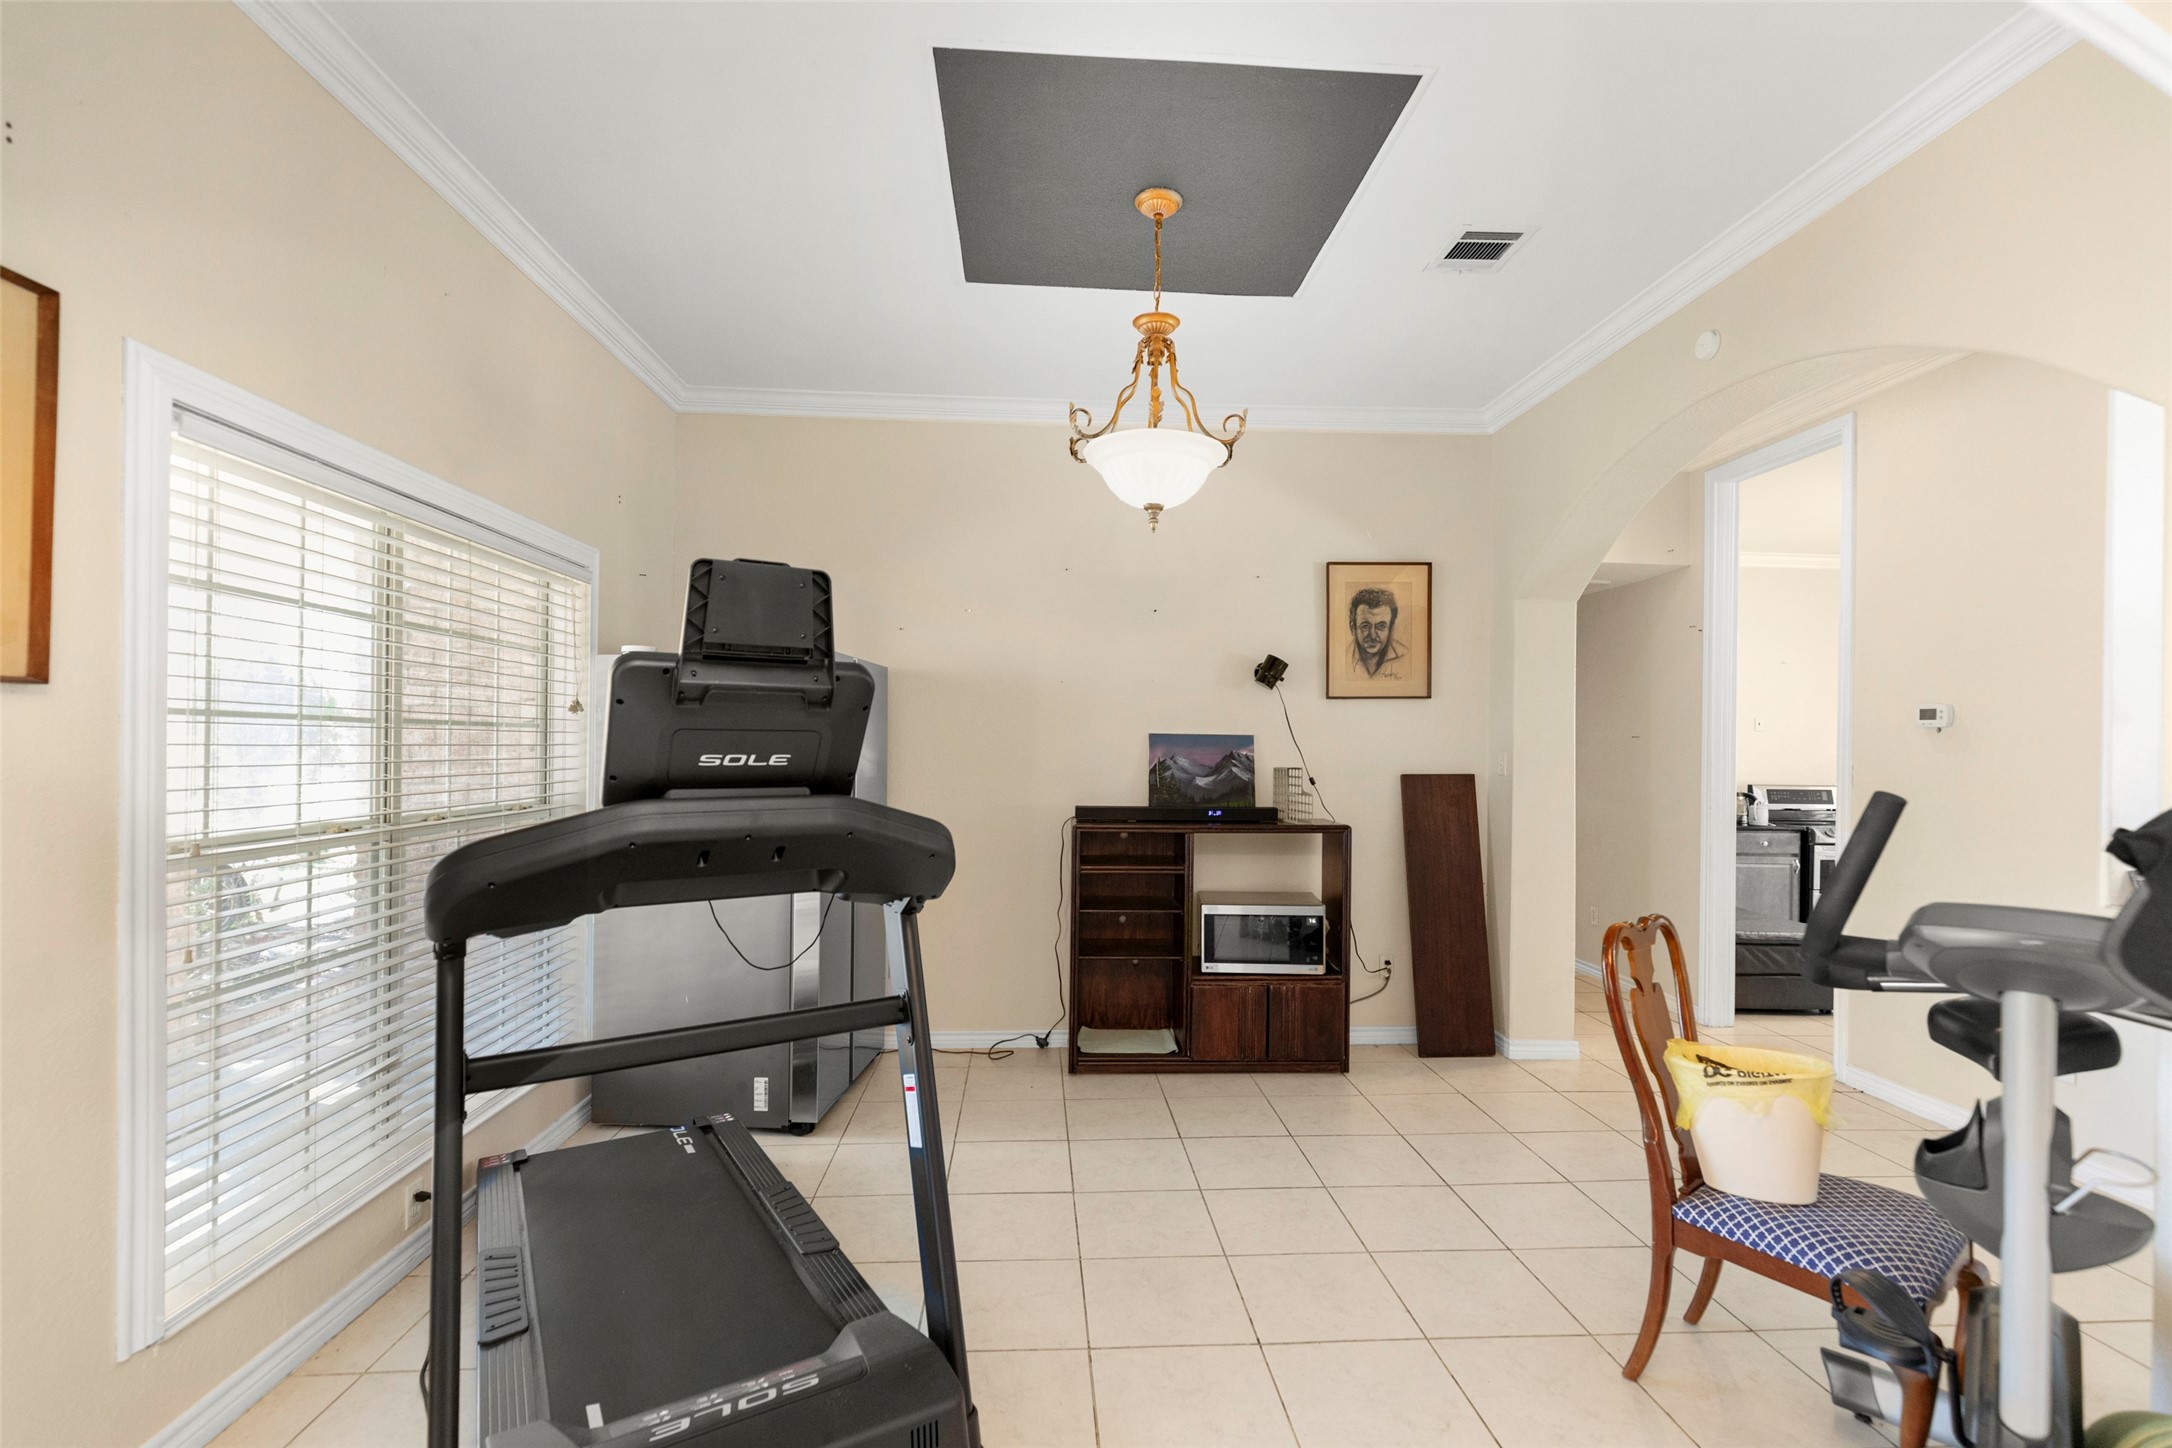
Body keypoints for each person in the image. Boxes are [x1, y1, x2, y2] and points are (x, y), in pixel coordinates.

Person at [1345, 586, 1408, 680]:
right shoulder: (1342, 658)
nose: (1373, 635)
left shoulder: (1406, 657)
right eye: (1365, 626)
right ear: (1353, 627)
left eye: (1381, 626)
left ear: (1391, 628)